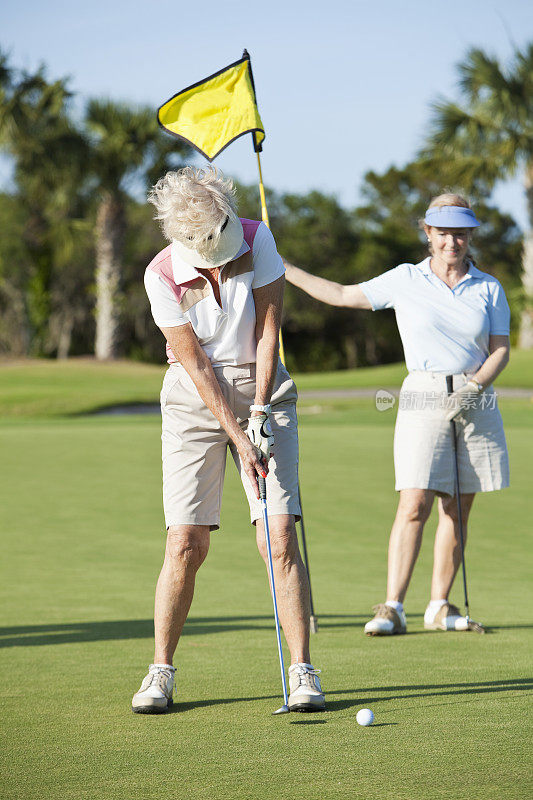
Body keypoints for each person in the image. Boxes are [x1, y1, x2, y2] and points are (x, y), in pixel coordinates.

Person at [131, 166, 324, 713]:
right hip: (195, 400)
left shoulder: (258, 238)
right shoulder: (162, 273)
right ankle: (160, 673)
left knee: (279, 537)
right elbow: (192, 364)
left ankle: (303, 671)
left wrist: (260, 408)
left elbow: (268, 329)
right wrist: (239, 436)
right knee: (185, 543)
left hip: (262, 388)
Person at [284, 193, 510, 635]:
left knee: (459, 510)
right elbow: (342, 295)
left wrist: (474, 387)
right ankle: (393, 607)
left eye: (461, 233)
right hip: (424, 394)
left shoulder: (488, 287)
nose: (452, 241)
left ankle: (440, 607)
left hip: (475, 396)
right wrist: (286, 269)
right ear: (428, 234)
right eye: (443, 232)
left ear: (470, 236)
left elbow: (500, 349)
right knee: (413, 504)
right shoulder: (406, 279)